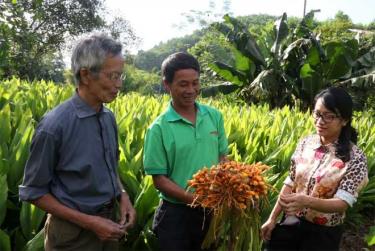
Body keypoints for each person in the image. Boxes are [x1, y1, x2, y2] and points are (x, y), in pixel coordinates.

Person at [19, 33, 136, 251]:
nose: (119, 84)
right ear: (85, 75)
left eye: (121, 76)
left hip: (110, 224)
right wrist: (91, 222)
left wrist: (122, 195)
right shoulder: (54, 126)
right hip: (72, 235)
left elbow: (110, 167)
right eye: (113, 76)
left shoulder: (108, 117)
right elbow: (34, 192)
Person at [261, 87, 369, 251]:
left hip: (322, 235)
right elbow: (290, 182)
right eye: (317, 114)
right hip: (290, 223)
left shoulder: (355, 158)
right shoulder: (305, 143)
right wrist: (272, 218)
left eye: (329, 116)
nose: (320, 121)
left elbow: (343, 202)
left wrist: (306, 201)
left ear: (345, 120)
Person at [143, 52, 229, 250]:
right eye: (183, 84)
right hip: (175, 214)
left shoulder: (214, 116)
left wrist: (229, 182)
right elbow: (159, 179)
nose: (191, 90)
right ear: (167, 85)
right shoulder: (158, 128)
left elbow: (222, 157)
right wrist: (195, 200)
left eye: (195, 83)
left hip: (210, 210)